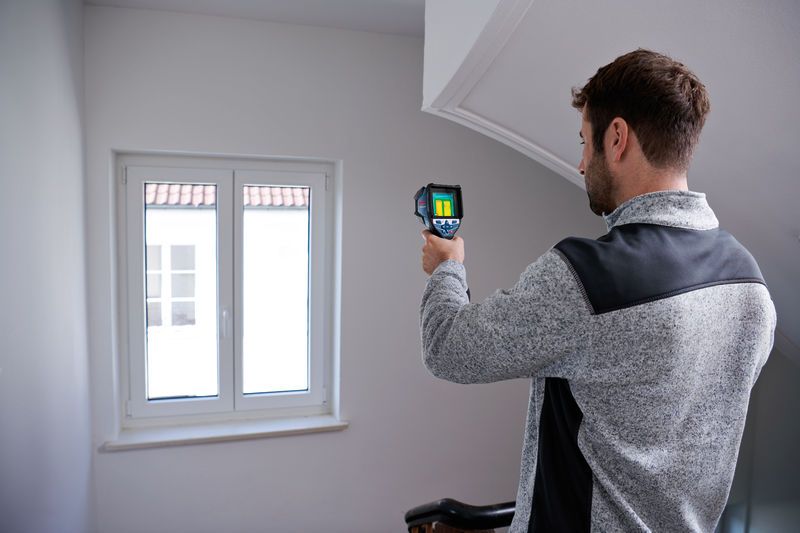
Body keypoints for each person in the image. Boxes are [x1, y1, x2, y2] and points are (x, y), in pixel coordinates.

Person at [419, 49, 776, 532]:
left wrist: (447, 268)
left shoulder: (585, 278)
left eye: (585, 141)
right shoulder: (750, 282)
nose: (582, 163)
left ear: (617, 137)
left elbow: (450, 348)